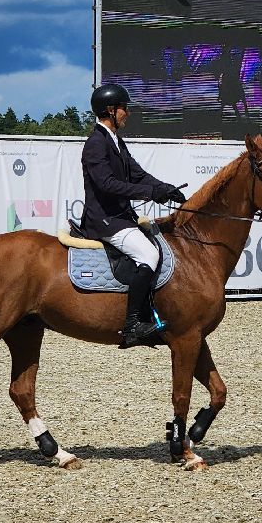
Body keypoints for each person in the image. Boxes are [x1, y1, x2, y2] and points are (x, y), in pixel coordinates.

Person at [80, 83, 186, 347]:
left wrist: (166, 189)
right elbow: (107, 184)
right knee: (150, 255)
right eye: (124, 108)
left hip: (120, 216)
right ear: (110, 110)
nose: (127, 113)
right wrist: (150, 193)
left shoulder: (116, 142)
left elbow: (138, 174)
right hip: (105, 220)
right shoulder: (95, 144)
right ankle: (132, 325)